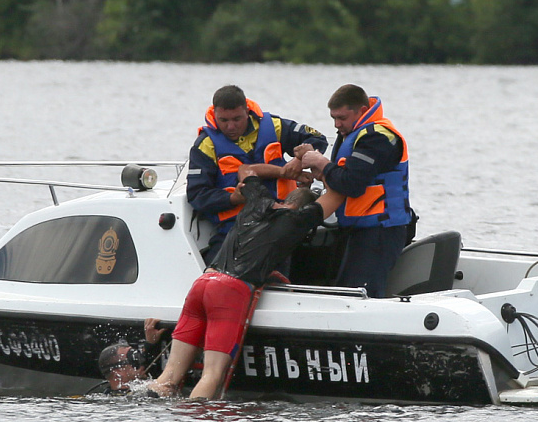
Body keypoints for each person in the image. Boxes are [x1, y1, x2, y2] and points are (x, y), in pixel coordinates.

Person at [151, 166, 345, 400]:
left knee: (170, 375)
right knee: (212, 374)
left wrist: (288, 171)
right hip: (229, 291)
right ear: (306, 208)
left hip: (203, 281)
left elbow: (246, 170)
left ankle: (152, 402)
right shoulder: (300, 220)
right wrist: (325, 170)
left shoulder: (258, 200)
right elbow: (340, 192)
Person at [188, 85, 328, 263]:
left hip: (280, 222)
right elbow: (197, 195)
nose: (230, 126)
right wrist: (233, 198)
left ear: (247, 111)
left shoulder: (274, 127)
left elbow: (317, 139)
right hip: (235, 228)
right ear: (214, 114)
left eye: (237, 119)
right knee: (215, 273)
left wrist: (300, 160)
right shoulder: (205, 145)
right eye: (223, 120)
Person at [300, 84, 414, 298]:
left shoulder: (377, 137)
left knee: (361, 294)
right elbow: (344, 177)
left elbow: (352, 183)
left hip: (381, 230)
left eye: (341, 117)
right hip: (360, 229)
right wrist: (323, 173)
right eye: (333, 118)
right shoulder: (353, 132)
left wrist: (323, 163)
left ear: (361, 111)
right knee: (347, 289)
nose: (337, 124)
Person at [95, 318, 170, 394]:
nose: (142, 363)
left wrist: (150, 344)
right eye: (134, 359)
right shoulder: (138, 397)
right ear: (118, 372)